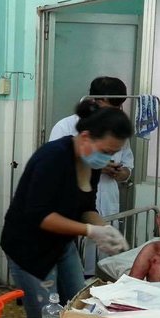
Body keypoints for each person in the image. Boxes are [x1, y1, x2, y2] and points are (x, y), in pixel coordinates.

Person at [1, 107, 132, 318]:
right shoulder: (53, 157)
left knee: (78, 307)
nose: (107, 158)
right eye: (105, 151)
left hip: (61, 244)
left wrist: (105, 228)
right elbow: (40, 215)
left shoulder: (92, 163)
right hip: (29, 248)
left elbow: (86, 207)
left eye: (113, 153)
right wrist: (90, 231)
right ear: (85, 137)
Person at [49, 77, 134, 217]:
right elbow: (56, 170)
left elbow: (89, 209)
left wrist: (121, 173)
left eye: (118, 109)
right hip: (67, 204)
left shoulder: (117, 130)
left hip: (107, 200)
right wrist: (96, 167)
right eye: (105, 151)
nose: (113, 115)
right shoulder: (64, 129)